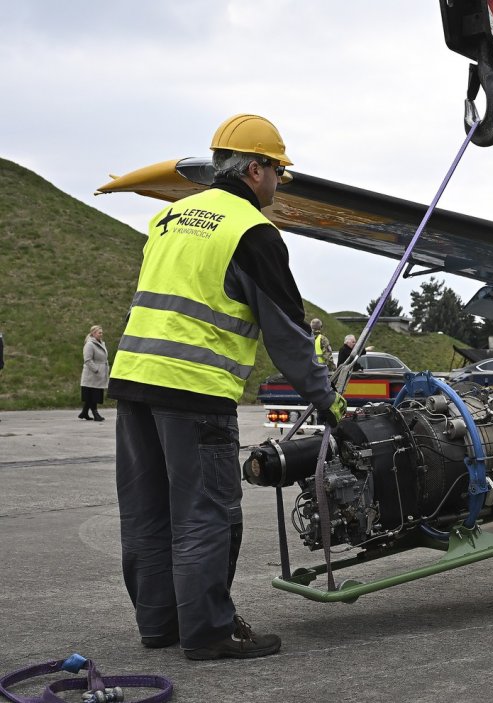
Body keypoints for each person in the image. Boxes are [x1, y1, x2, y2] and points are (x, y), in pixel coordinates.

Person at [108, 114, 346, 661]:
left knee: (148, 511)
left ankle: (160, 625)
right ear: (255, 168)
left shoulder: (168, 218)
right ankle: (209, 631)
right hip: (194, 390)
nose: (279, 184)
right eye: (278, 173)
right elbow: (287, 334)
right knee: (206, 513)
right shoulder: (252, 232)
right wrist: (327, 399)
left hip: (135, 382)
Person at [79, 325, 110, 421]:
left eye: (102, 332)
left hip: (99, 374)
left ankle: (84, 412)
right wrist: (96, 370)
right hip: (92, 375)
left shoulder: (101, 343)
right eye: (99, 332)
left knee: (92, 394)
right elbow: (87, 360)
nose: (101, 334)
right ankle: (95, 413)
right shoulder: (89, 344)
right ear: (93, 333)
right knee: (93, 395)